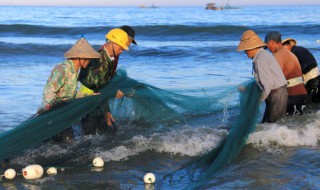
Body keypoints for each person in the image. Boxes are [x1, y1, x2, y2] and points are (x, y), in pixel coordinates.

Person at [78, 26, 137, 135]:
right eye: (121, 48)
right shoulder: (101, 60)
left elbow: (102, 84)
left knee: (106, 131)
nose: (122, 51)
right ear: (113, 43)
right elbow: (97, 88)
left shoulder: (109, 57)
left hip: (96, 100)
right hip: (88, 101)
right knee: (88, 136)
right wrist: (112, 97)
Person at [39, 37, 100, 141]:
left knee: (68, 139)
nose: (90, 61)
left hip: (62, 113)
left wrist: (88, 96)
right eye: (88, 58)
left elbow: (72, 94)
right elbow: (48, 90)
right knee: (64, 140)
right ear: (81, 57)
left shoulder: (75, 71)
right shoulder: (63, 68)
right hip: (52, 114)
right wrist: (52, 110)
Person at [237, 30, 288, 123]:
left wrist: (258, 100)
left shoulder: (260, 59)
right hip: (277, 93)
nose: (245, 53)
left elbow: (268, 84)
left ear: (251, 48)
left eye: (245, 50)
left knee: (272, 125)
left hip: (276, 95)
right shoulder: (262, 55)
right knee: (270, 125)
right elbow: (264, 80)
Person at [265, 31, 309, 115]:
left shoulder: (276, 56)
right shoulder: (291, 54)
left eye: (267, 46)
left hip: (292, 96)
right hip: (303, 93)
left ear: (271, 42)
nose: (268, 50)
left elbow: (270, 78)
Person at [282, 38, 320, 102]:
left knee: (309, 99)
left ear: (288, 46)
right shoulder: (298, 49)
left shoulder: (296, 51)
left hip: (311, 75)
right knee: (314, 98)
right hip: (314, 74)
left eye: (283, 48)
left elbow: (308, 64)